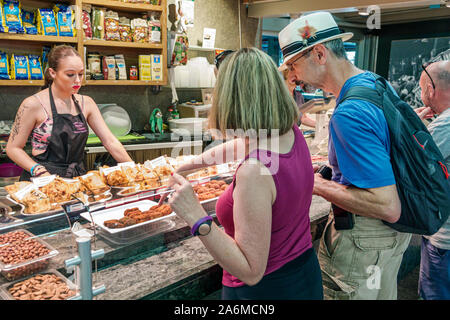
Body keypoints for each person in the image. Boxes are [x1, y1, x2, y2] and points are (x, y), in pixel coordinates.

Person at [163, 47, 323, 300]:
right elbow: (244, 143)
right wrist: (187, 166)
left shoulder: (253, 173)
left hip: (264, 291)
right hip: (303, 275)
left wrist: (195, 216)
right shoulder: (290, 132)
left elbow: (250, 271)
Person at [279, 11, 412, 300]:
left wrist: (313, 183)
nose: (292, 76)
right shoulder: (375, 83)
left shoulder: (349, 112)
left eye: (293, 64)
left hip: (365, 237)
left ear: (319, 53)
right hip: (391, 238)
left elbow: (386, 205)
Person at [6, 45, 132, 180]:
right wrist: (39, 171)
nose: (78, 80)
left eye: (81, 74)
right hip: (42, 180)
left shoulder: (87, 103)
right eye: (70, 74)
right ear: (52, 73)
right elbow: (13, 148)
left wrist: (133, 169)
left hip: (76, 179)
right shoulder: (33, 104)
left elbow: (110, 141)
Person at [415, 60, 450, 300]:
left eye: (421, 89)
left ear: (430, 90)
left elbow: (408, 162)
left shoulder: (444, 125)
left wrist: (411, 124)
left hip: (444, 241)